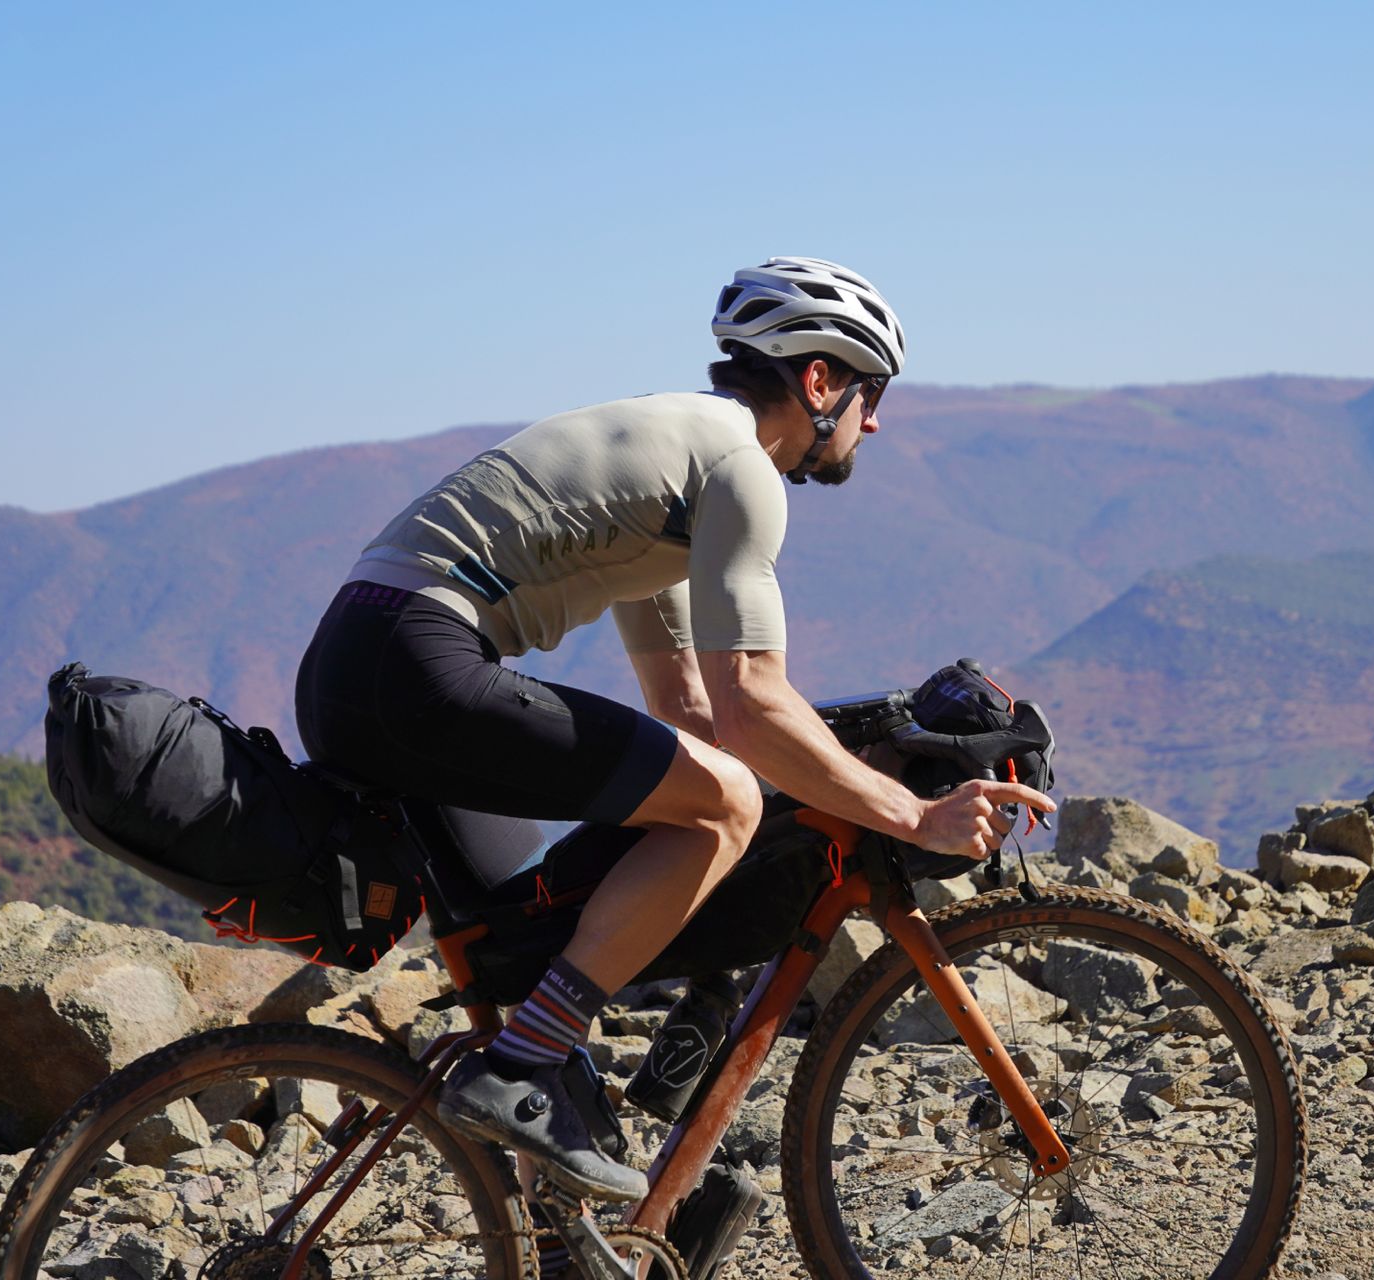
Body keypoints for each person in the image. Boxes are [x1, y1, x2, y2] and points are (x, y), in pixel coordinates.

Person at [293, 257, 1055, 1204]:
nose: (877, 421)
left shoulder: (676, 463)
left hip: (357, 664)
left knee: (526, 945)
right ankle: (521, 1073)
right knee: (725, 803)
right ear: (819, 382)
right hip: (414, 663)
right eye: (871, 394)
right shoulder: (740, 467)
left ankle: (557, 1225)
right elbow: (751, 704)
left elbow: (693, 716)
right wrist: (914, 813)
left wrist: (798, 803)